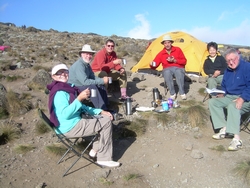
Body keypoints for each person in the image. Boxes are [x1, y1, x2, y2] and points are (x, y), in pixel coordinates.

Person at [47, 63, 120, 167]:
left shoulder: (66, 88)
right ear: (53, 76)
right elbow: (65, 114)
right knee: (106, 122)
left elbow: (81, 107)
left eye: (65, 71)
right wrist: (79, 98)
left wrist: (100, 111)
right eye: (59, 73)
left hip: (71, 123)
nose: (63, 74)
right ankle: (104, 159)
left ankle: (95, 151)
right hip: (69, 127)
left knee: (104, 117)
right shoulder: (60, 93)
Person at [209, 48, 250, 151]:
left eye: (233, 59)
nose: (231, 63)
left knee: (233, 106)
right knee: (213, 102)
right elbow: (224, 85)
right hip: (229, 96)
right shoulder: (228, 70)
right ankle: (224, 129)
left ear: (238, 57)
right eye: (228, 61)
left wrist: (242, 98)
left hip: (245, 98)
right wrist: (223, 93)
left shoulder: (247, 67)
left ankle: (237, 139)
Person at [68, 44, 109, 110]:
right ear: (81, 54)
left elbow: (92, 77)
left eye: (90, 54)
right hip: (74, 87)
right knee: (92, 88)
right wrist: (102, 80)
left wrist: (102, 80)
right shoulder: (79, 65)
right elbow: (85, 82)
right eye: (86, 54)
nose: (89, 56)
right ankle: (101, 109)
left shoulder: (87, 65)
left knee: (101, 85)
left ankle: (106, 106)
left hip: (81, 84)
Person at [150, 34, 187, 100]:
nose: (167, 44)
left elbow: (184, 61)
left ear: (171, 43)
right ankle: (172, 93)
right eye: (165, 43)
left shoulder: (177, 50)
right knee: (167, 72)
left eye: (168, 42)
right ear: (163, 44)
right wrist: (152, 64)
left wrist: (175, 60)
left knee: (178, 71)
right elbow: (155, 64)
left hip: (178, 67)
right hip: (167, 69)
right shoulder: (161, 53)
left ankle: (182, 92)